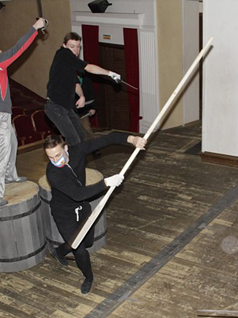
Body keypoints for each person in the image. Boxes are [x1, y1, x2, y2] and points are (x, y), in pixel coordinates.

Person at [44, 132, 146, 294]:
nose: (55, 160)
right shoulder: (53, 173)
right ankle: (88, 277)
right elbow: (77, 194)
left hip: (82, 207)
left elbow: (107, 139)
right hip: (64, 213)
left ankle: (59, 251)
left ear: (66, 148)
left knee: (88, 241)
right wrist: (106, 183)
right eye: (51, 157)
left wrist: (132, 139)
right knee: (79, 249)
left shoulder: (77, 151)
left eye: (58, 155)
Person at [0, 18, 46, 206]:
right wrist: (35, 28)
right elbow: (18, 49)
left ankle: (10, 176)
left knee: (12, 143)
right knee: (2, 153)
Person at [45, 32, 121, 146]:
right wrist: (110, 73)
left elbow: (76, 84)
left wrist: (82, 96)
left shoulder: (69, 65)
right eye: (72, 46)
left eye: (78, 47)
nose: (75, 50)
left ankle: (78, 157)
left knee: (82, 137)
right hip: (55, 106)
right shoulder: (63, 54)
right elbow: (89, 68)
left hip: (67, 107)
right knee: (73, 140)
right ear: (64, 46)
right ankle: (67, 158)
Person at [75, 72, 96, 141]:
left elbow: (92, 94)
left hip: (84, 109)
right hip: (73, 110)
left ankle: (93, 144)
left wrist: (93, 108)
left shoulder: (86, 80)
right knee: (75, 130)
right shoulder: (69, 80)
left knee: (86, 128)